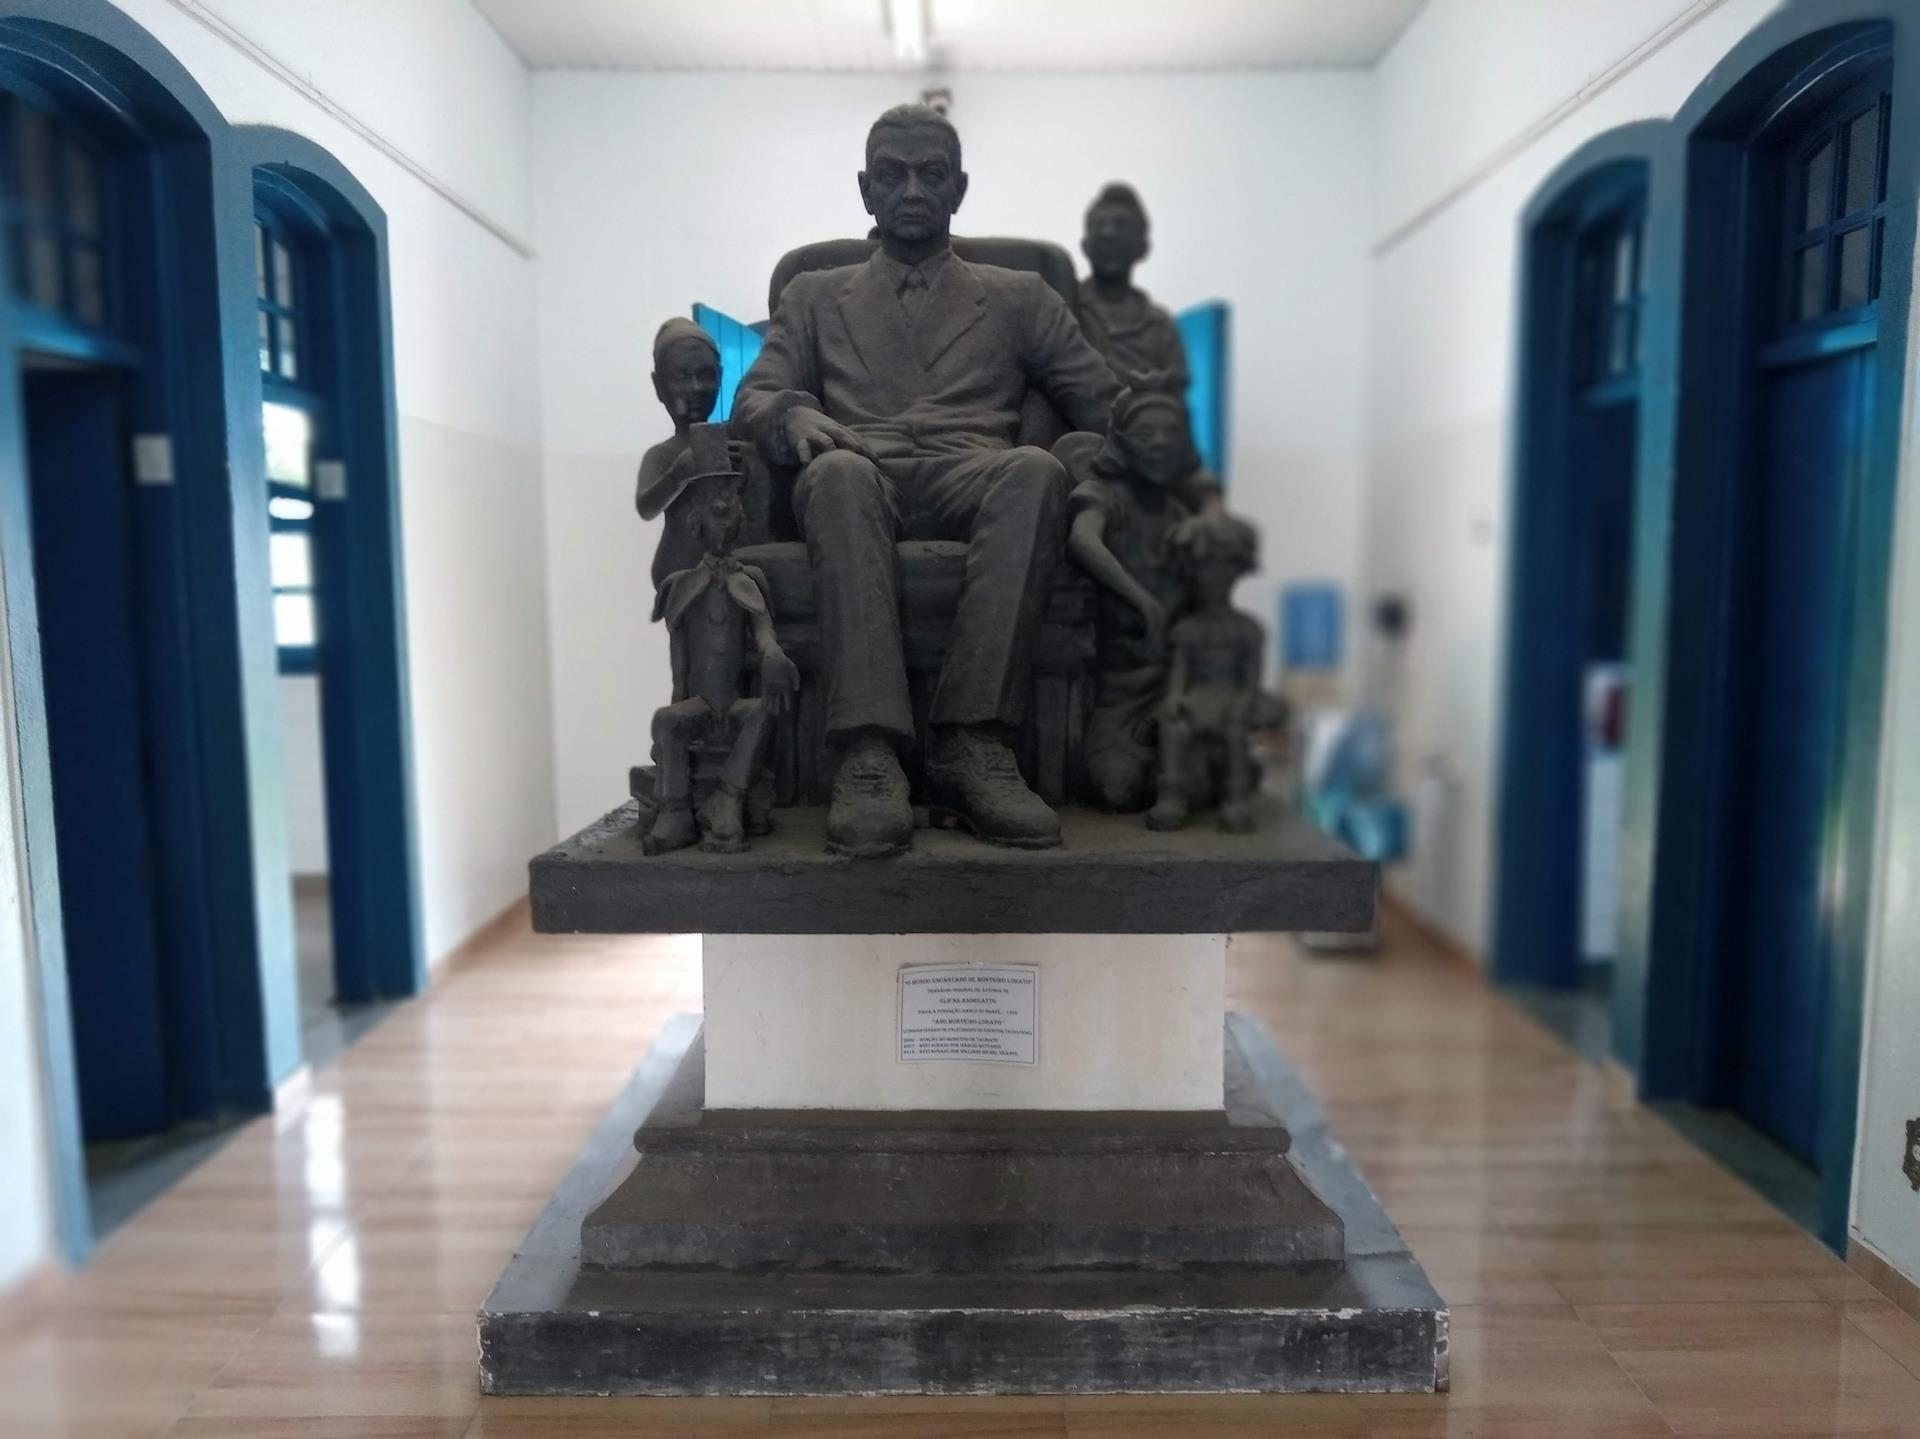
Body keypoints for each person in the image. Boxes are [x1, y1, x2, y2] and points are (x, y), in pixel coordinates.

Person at [731, 103, 1119, 857]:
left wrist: (1101, 455)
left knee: (1034, 470)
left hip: (973, 466)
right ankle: (868, 751)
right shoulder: (814, 294)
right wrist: (790, 414)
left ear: (958, 188)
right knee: (837, 476)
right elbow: (755, 396)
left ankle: (973, 744)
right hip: (859, 462)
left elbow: (1106, 406)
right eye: (892, 174)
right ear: (865, 189)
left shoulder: (1021, 297)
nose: (911, 190)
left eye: (931, 174)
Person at [645, 443, 799, 857]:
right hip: (699, 704)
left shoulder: (750, 581)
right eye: (715, 506)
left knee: (767, 709)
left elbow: (763, 632)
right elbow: (679, 661)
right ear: (695, 521)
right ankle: (676, 811)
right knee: (667, 721)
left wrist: (772, 654)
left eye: (729, 504)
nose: (723, 512)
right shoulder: (680, 586)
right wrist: (678, 706)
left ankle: (728, 796)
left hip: (732, 705)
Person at [1065, 388, 1201, 810]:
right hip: (1118, 691)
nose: (1160, 443)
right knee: (1117, 789)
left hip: (1172, 682)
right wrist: (1141, 601)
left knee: (1199, 776)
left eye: (1170, 434)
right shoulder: (1105, 495)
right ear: (1121, 442)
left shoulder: (1178, 514)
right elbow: (1083, 540)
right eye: (1146, 434)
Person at [1147, 508, 1266, 835]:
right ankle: (1172, 797)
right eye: (1205, 568)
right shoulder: (1187, 629)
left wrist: (1244, 701)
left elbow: (1251, 679)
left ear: (1236, 571)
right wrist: (1174, 697)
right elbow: (1179, 673)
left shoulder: (1247, 630)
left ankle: (1236, 799)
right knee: (1174, 727)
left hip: (1230, 700)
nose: (1212, 578)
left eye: (1222, 567)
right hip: (1198, 698)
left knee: (1235, 731)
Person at [635, 317, 725, 592]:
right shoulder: (662, 454)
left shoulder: (730, 439)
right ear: (659, 385)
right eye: (682, 377)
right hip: (678, 570)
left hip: (726, 568)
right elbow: (646, 507)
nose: (696, 388)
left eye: (705, 375)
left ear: (720, 376)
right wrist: (679, 473)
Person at [1077, 183, 1188, 398]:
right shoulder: (1063, 308)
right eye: (1099, 224)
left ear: (1143, 247)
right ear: (1085, 245)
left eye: (1121, 225)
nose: (1108, 233)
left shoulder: (1161, 326)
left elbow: (1174, 402)